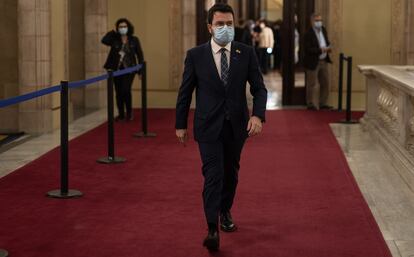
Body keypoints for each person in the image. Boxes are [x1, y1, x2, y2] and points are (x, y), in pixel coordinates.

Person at [175, 3, 267, 252]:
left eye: (229, 24)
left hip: (237, 126)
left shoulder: (245, 52)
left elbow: (259, 88)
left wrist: (258, 116)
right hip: (207, 126)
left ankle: (225, 209)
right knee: (213, 174)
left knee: (231, 172)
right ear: (209, 27)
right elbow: (185, 92)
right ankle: (212, 227)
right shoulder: (196, 55)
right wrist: (180, 124)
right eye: (219, 24)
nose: (225, 28)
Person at [102, 18, 144, 121]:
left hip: (130, 70)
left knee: (125, 90)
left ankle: (129, 113)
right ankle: (121, 114)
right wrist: (113, 31)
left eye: (124, 26)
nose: (123, 28)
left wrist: (140, 71)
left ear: (128, 27)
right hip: (116, 70)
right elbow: (104, 40)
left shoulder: (134, 40)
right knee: (118, 92)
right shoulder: (115, 39)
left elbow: (140, 55)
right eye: (120, 27)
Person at [303, 14, 333, 110]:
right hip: (313, 61)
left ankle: (322, 103)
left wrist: (328, 47)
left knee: (325, 82)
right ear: (312, 22)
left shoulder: (323, 30)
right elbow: (308, 49)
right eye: (317, 20)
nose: (319, 22)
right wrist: (321, 50)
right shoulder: (308, 33)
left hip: (323, 60)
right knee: (312, 83)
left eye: (320, 20)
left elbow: (326, 42)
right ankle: (310, 103)